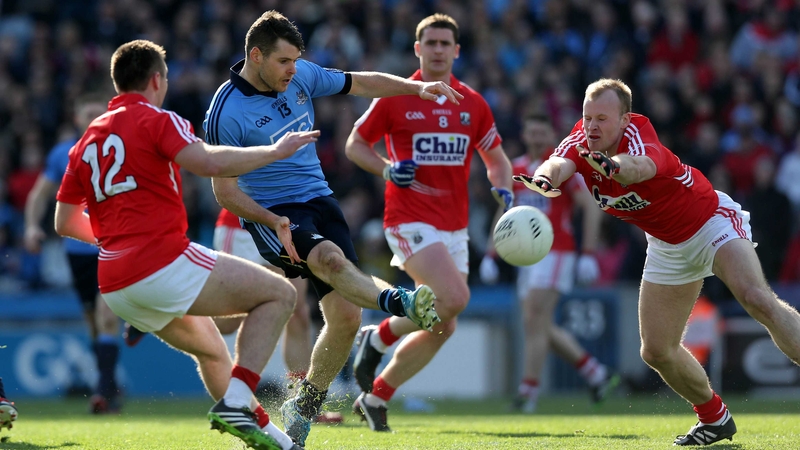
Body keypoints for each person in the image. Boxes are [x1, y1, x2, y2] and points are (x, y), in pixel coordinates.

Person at [205, 10, 459, 446]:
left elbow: (360, 82)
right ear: (256, 55)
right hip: (275, 213)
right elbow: (224, 192)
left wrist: (415, 87)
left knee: (344, 317)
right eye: (284, 61)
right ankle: (400, 302)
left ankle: (302, 408)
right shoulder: (225, 112)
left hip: (320, 200)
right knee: (327, 261)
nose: (293, 70)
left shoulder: (300, 73)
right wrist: (273, 221)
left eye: (296, 61)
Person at [54, 39, 314, 450]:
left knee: (213, 353)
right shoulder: (159, 119)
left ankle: (276, 441)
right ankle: (234, 404)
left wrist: (117, 242)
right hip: (160, 262)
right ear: (157, 79)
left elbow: (64, 221)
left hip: (115, 283)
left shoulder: (86, 140)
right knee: (280, 295)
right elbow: (208, 162)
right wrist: (273, 151)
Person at [514, 78, 800, 445]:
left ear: (625, 119)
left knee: (756, 298)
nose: (592, 126)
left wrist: (610, 167)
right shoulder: (581, 141)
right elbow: (557, 163)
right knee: (655, 350)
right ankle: (714, 419)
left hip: (710, 221)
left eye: (602, 118)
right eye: (587, 118)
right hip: (667, 246)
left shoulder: (641, 138)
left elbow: (638, 167)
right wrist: (542, 179)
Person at [344, 13, 513, 432]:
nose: (438, 50)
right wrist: (385, 168)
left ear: (457, 51)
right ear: (418, 49)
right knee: (455, 298)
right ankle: (380, 335)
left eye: (445, 44)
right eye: (430, 43)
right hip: (408, 218)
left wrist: (504, 191)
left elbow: (496, 160)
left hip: (454, 227)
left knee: (444, 325)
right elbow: (354, 144)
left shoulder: (472, 103)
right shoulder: (395, 96)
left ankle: (376, 395)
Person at [480, 113, 617, 413]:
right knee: (538, 324)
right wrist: (491, 253)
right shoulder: (515, 168)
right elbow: (503, 214)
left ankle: (527, 394)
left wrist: (589, 253)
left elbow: (592, 208)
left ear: (551, 134)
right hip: (525, 258)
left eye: (543, 132)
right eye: (533, 132)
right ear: (525, 134)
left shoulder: (560, 168)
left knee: (533, 320)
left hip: (557, 251)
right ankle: (595, 373)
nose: (538, 138)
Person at [24, 93, 127, 413]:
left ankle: (102, 390)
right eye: (89, 114)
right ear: (77, 119)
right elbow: (39, 195)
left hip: (111, 244)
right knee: (93, 321)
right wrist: (30, 226)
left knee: (107, 314)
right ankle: (108, 385)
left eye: (100, 113)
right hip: (77, 247)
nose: (94, 119)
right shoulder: (63, 154)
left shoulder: (121, 148)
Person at [212, 207, 342, 424]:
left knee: (297, 310)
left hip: (288, 228)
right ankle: (173, 311)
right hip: (244, 228)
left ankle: (304, 404)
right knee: (229, 320)